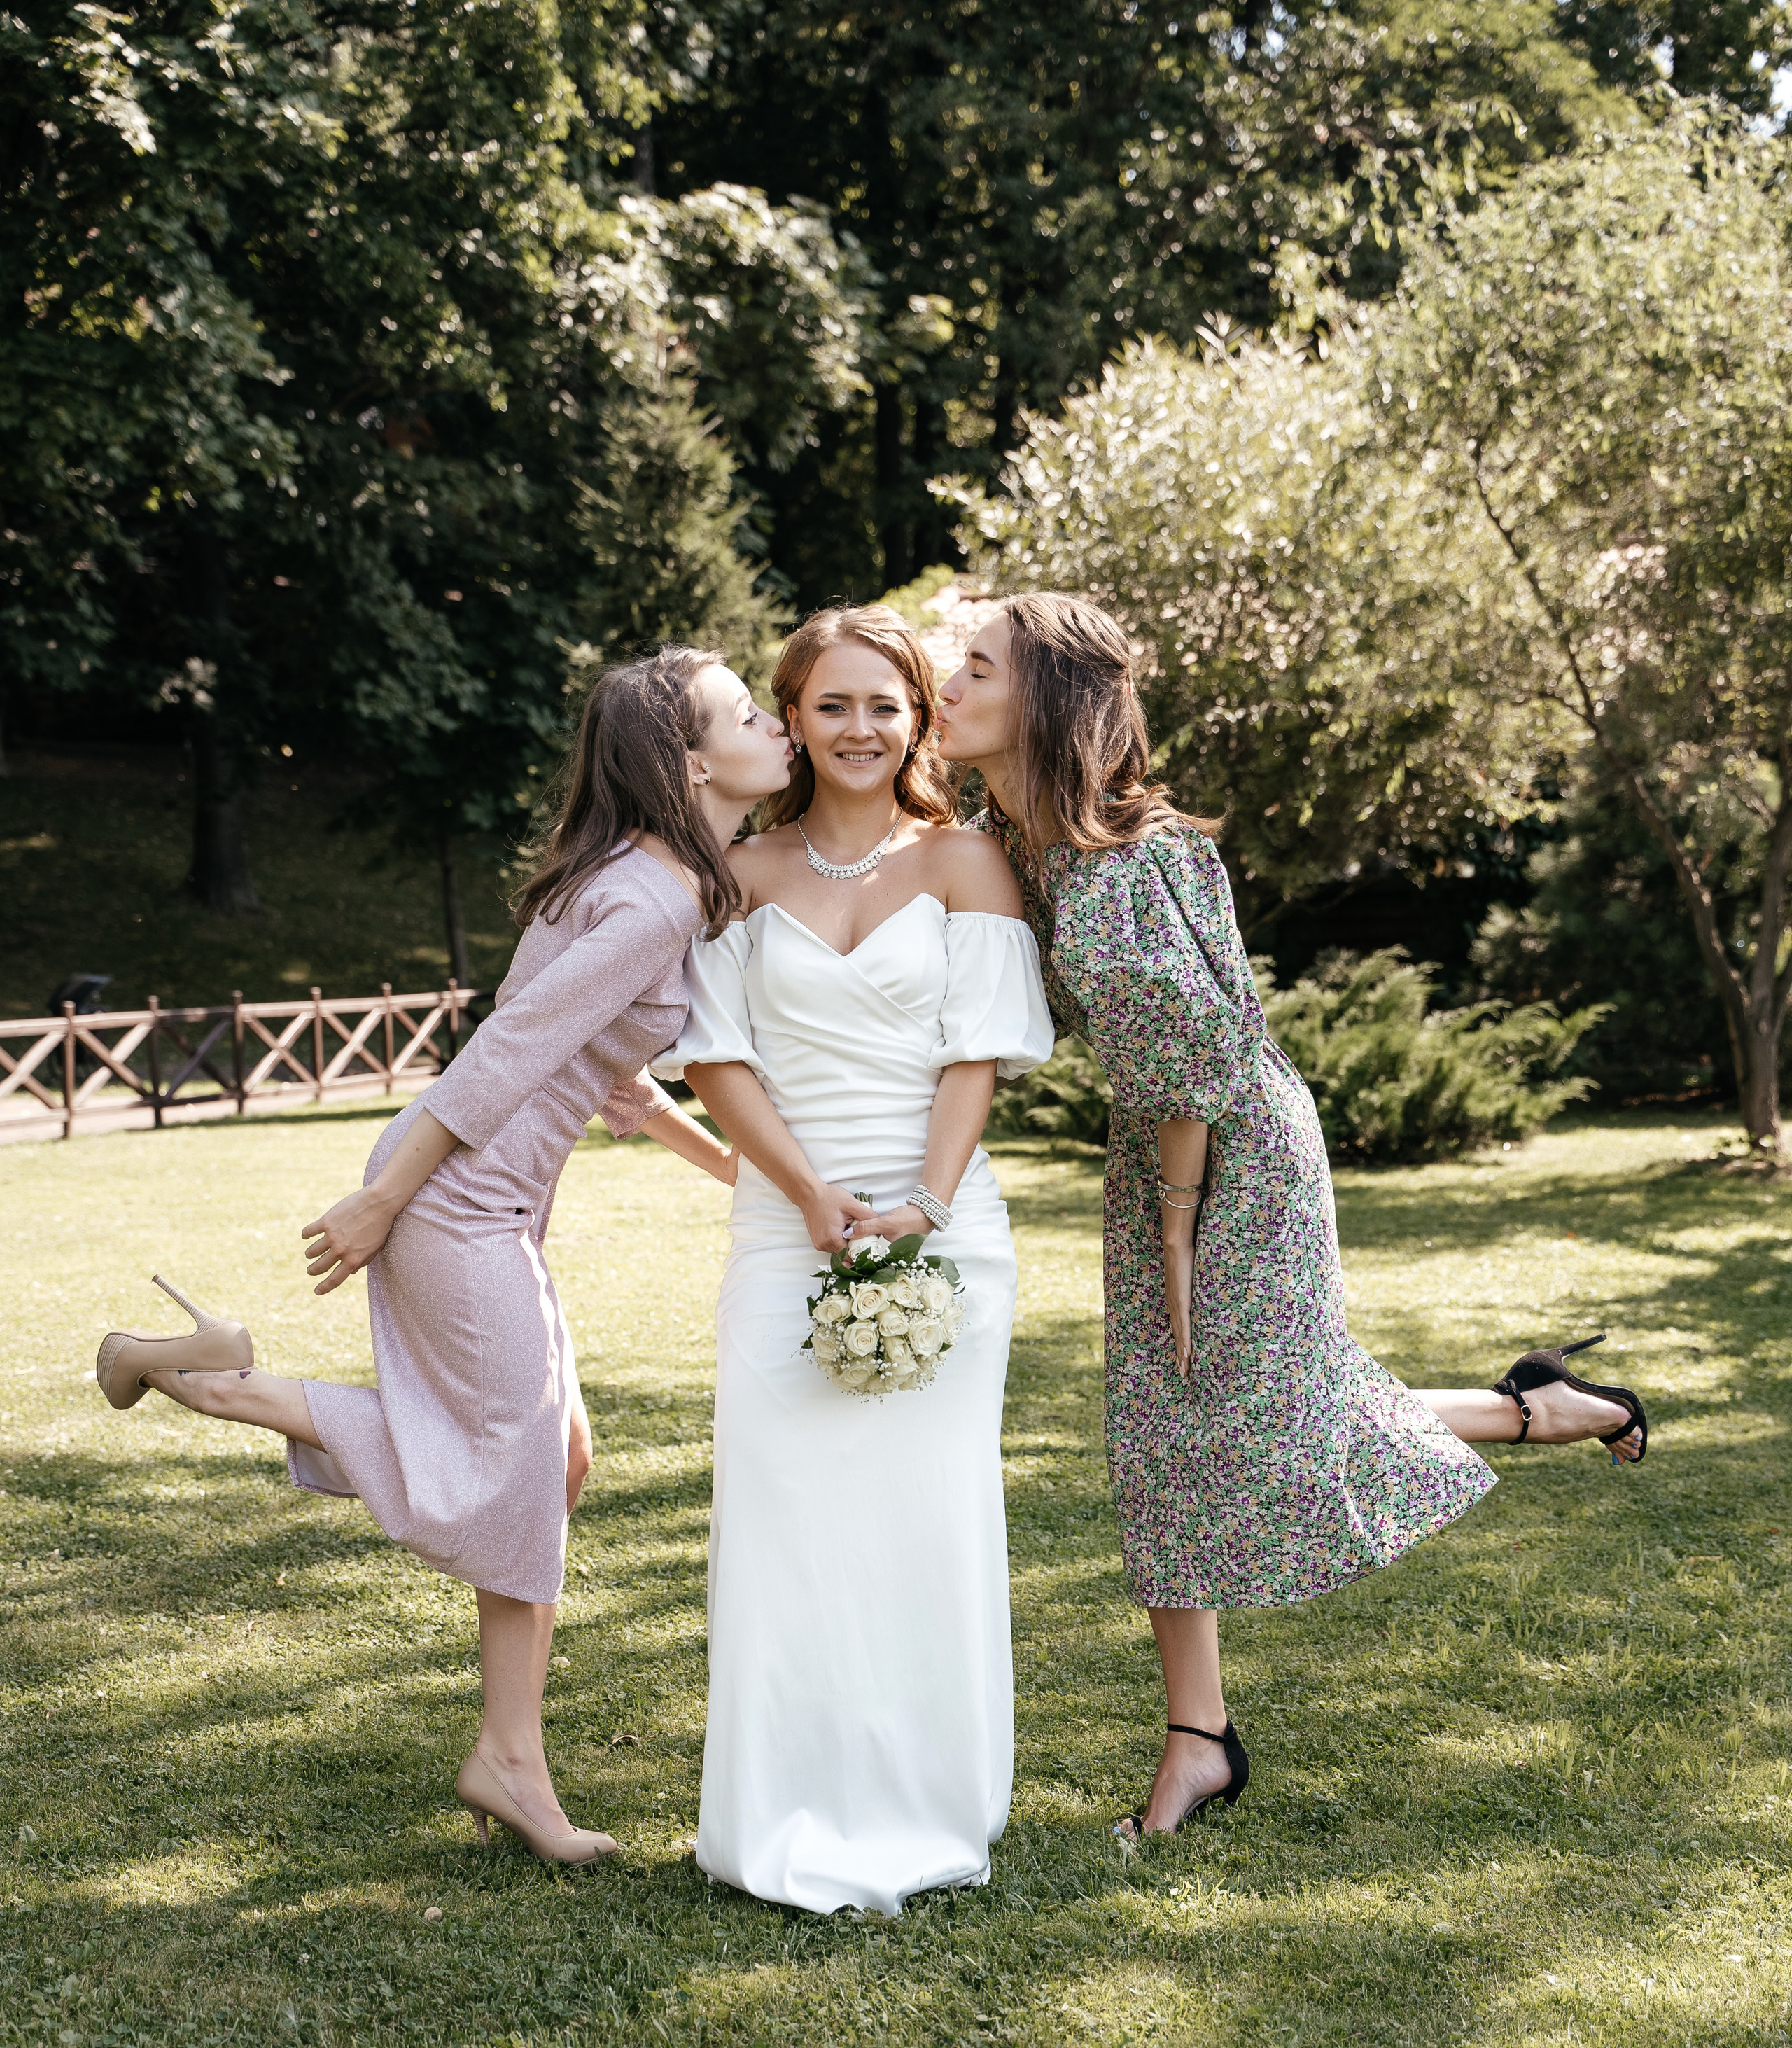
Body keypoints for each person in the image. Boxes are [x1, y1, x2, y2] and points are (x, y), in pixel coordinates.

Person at [936, 594, 1648, 1840]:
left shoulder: (1116, 858)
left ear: (1042, 699)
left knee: (1224, 1414)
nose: (947, 686)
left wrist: (1173, 1224)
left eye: (976, 669)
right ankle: (1202, 1737)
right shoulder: (1019, 836)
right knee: (1182, 1428)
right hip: (1172, 1151)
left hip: (1223, 1159)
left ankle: (1204, 1740)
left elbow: (1196, 1053)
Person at [95, 648, 792, 1865]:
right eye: (749, 712)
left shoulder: (651, 878)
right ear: (691, 764)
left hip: (478, 1204)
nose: (778, 722)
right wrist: (383, 1204)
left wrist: (743, 1171)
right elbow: (507, 1050)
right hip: (452, 1201)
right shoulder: (655, 899)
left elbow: (607, 1079)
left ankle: (204, 1362)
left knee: (554, 1460)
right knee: (511, 1467)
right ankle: (201, 1379)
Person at [654, 603, 1055, 1916]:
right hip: (786, 1226)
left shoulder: (965, 867)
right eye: (833, 704)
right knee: (789, 1526)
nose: (862, 728)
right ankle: (780, 1806)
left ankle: (931, 1799)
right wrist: (808, 1191)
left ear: (920, 718)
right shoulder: (743, 875)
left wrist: (922, 1208)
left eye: (887, 704)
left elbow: (973, 1055)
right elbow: (716, 1058)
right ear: (794, 717)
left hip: (944, 1228)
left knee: (924, 1521)